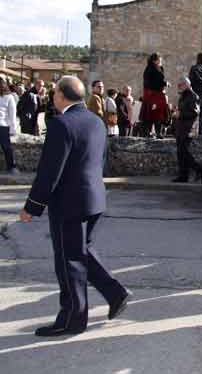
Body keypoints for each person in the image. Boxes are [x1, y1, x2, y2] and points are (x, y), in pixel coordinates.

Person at [18, 76, 131, 337]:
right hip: (93, 199)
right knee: (81, 252)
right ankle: (115, 293)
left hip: (69, 203)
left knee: (69, 262)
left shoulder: (61, 124)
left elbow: (49, 172)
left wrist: (32, 207)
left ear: (60, 96)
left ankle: (72, 319)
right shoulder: (96, 122)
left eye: (55, 92)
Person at [173, 77, 200, 183]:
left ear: (187, 85)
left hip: (188, 128)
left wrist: (180, 114)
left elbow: (195, 112)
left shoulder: (193, 96)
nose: (179, 87)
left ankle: (198, 169)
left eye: (181, 85)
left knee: (184, 152)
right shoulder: (183, 97)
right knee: (181, 152)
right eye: (178, 85)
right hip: (181, 128)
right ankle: (183, 176)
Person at [141, 53, 169, 138]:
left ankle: (157, 132)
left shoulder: (157, 68)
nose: (160, 61)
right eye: (159, 60)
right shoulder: (151, 69)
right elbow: (154, 82)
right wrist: (165, 83)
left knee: (157, 114)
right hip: (153, 94)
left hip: (156, 94)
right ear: (154, 61)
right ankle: (150, 132)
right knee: (152, 114)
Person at [0, 77, 19, 173]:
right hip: (3, 126)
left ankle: (11, 167)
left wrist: (13, 130)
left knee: (6, 147)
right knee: (6, 147)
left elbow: (12, 114)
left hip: (2, 126)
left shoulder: (9, 97)